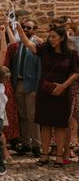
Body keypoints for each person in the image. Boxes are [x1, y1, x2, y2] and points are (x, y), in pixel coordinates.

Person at [17, 23, 79, 167]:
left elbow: (75, 73)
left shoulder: (71, 53)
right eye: (49, 36)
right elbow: (27, 43)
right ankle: (44, 156)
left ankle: (58, 156)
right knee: (45, 125)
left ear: (62, 38)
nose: (50, 39)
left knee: (60, 126)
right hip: (45, 92)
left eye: (54, 37)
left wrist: (63, 86)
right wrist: (19, 28)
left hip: (63, 93)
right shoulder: (44, 50)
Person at [6, 18, 42, 157]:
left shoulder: (38, 44)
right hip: (18, 83)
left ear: (34, 30)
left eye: (28, 28)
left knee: (32, 115)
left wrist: (38, 85)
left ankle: (36, 145)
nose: (26, 30)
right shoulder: (18, 45)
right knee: (22, 115)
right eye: (24, 27)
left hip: (32, 84)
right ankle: (25, 143)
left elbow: (39, 67)